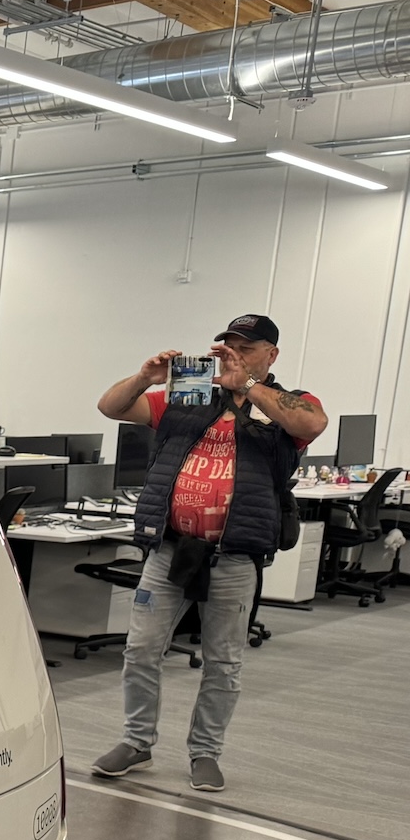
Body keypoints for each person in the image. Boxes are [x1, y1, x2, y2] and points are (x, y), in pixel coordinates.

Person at [91, 314, 326, 792]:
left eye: (246, 347)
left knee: (223, 661)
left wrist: (249, 386)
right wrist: (145, 377)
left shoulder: (286, 402)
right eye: (228, 346)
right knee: (141, 649)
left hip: (234, 555)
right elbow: (110, 407)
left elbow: (311, 423)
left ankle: (205, 752)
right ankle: (137, 742)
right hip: (170, 548)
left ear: (271, 354)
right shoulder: (188, 398)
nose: (233, 354)